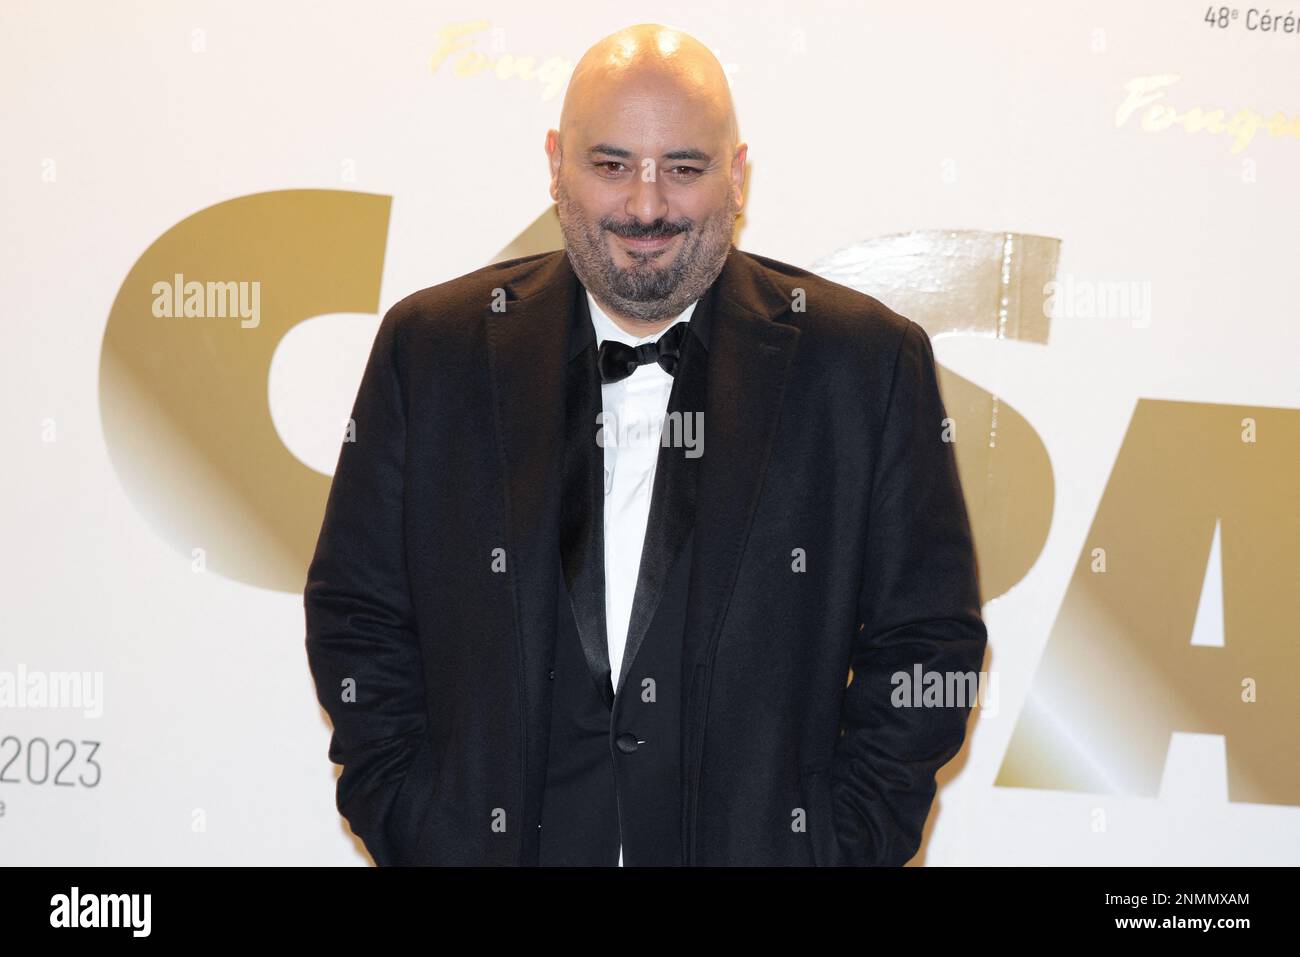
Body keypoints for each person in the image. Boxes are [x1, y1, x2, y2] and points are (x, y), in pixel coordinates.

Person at [304, 23, 987, 867]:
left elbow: (928, 644)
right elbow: (356, 612)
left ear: (737, 176)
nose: (647, 204)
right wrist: (417, 820)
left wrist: (836, 846)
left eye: (685, 168)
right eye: (612, 163)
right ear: (556, 164)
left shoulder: (865, 367)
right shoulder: (431, 350)